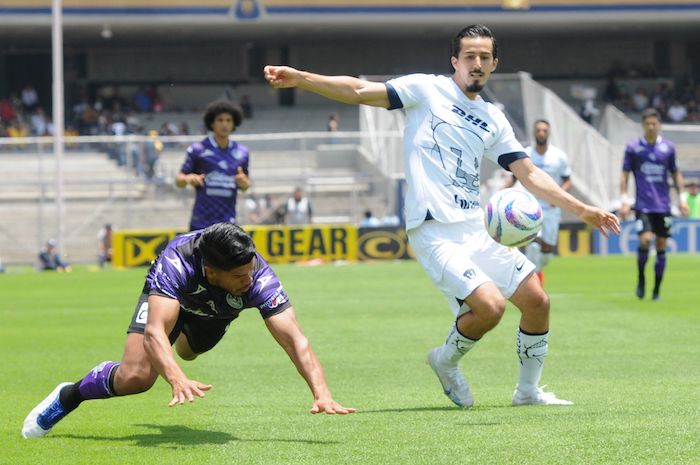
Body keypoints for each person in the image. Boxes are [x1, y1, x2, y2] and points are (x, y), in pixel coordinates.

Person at [265, 24, 620, 408]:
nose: (477, 63)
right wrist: (301, 78)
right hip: (433, 229)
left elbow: (528, 173)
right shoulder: (426, 89)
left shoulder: (493, 119)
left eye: (485, 57)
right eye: (470, 56)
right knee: (491, 308)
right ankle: (446, 361)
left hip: (475, 229)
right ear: (455, 61)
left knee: (537, 301)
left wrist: (584, 210)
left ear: (494, 64)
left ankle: (528, 391)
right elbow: (357, 91)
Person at [22, 223, 354, 439]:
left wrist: (321, 392)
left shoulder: (256, 277)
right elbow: (153, 333)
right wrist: (176, 379)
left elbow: (295, 340)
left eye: (250, 271)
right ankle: (70, 395)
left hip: (215, 312)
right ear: (211, 271)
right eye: (240, 276)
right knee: (137, 377)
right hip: (172, 301)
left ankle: (181, 342)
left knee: (188, 351)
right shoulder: (175, 265)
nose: (249, 281)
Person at [620, 108, 689, 300]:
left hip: (664, 206)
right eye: (648, 124)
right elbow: (624, 175)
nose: (651, 127)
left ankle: (656, 290)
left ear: (658, 125)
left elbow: (676, 173)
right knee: (645, 239)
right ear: (643, 125)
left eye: (654, 124)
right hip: (643, 205)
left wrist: (682, 199)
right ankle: (641, 278)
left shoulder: (668, 148)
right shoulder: (633, 148)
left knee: (661, 245)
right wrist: (624, 201)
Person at [505, 120, 572, 285]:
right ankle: (531, 283)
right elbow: (514, 177)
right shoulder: (525, 154)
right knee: (533, 245)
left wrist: (560, 196)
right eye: (538, 130)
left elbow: (567, 179)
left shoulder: (559, 156)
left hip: (551, 208)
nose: (541, 133)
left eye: (544, 130)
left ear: (548, 133)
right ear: (534, 133)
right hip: (530, 207)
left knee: (547, 252)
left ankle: (537, 273)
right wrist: (501, 192)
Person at [175, 101, 251, 231]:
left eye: (228, 120)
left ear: (234, 123)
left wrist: (244, 183)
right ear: (212, 123)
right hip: (201, 223)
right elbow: (178, 180)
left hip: (228, 225)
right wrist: (188, 179)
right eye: (220, 120)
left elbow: (245, 186)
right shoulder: (198, 149)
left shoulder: (242, 152)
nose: (224, 124)